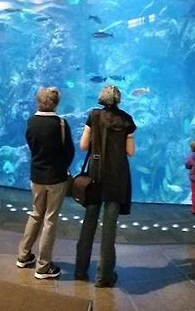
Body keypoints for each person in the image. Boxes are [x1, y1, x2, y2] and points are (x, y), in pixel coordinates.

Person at [75, 85, 136, 288]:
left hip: (96, 173)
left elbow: (83, 145)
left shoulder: (93, 116)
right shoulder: (127, 120)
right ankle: (104, 276)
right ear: (118, 100)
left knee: (89, 222)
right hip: (117, 176)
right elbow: (130, 152)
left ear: (101, 99)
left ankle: (80, 270)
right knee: (109, 227)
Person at [17, 87, 74, 279]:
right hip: (56, 178)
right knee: (50, 219)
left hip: (37, 177)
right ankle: (43, 265)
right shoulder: (61, 124)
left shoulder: (31, 122)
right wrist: (61, 166)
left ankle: (23, 256)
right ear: (56, 103)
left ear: (38, 101)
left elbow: (31, 145)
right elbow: (69, 152)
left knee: (35, 214)